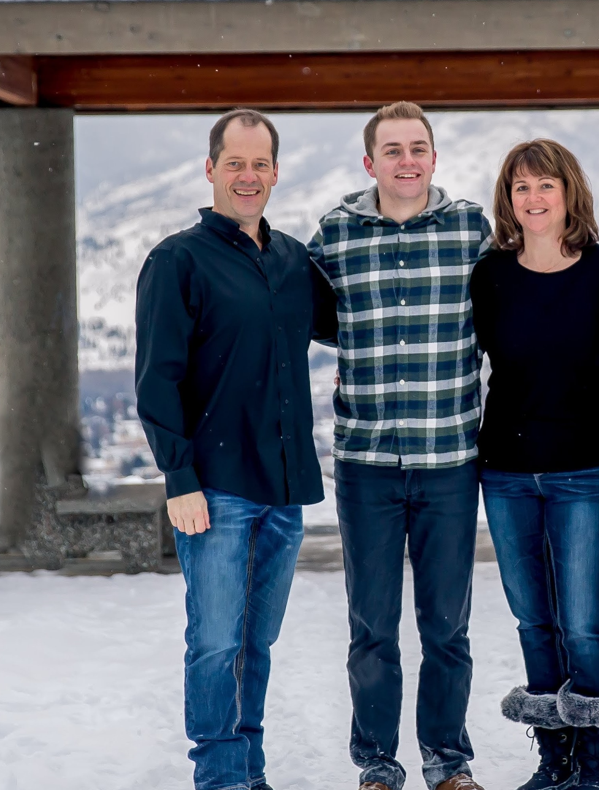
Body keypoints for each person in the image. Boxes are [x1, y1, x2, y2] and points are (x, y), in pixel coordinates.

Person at [135, 109, 337, 790]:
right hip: (215, 487)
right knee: (216, 641)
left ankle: (248, 768)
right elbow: (157, 377)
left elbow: (354, 321)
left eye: (260, 164)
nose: (247, 176)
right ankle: (220, 777)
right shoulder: (178, 261)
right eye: (234, 163)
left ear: (276, 172)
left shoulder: (291, 261)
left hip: (284, 488)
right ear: (211, 169)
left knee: (257, 642)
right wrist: (179, 476)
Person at [308, 101, 491, 790]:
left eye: (418, 148)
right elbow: (306, 315)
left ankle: (448, 762)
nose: (406, 160)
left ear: (434, 158)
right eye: (392, 150)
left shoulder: (473, 228)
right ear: (370, 162)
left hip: (450, 460)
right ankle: (378, 766)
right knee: (372, 630)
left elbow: (519, 298)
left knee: (447, 629)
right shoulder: (335, 234)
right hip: (367, 468)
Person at [469, 139, 599, 790]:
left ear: (569, 193)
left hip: (584, 468)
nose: (533, 199)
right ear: (507, 199)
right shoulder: (490, 276)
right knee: (534, 620)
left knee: (583, 621)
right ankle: (555, 759)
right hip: (506, 469)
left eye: (545, 186)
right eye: (521, 187)